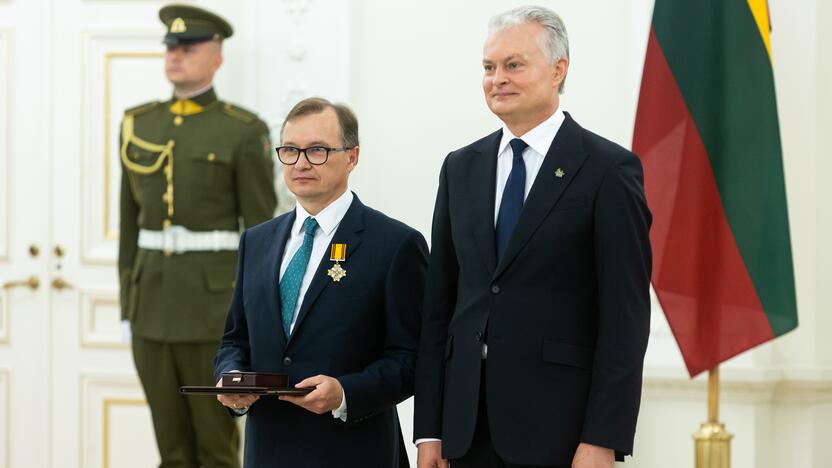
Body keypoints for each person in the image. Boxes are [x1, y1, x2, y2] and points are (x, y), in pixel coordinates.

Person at [414, 6, 652, 468]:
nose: (496, 78)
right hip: (464, 432)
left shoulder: (607, 170)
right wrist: (429, 430)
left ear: (558, 69)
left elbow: (625, 320)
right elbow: (439, 308)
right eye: (489, 67)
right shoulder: (460, 168)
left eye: (513, 65)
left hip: (560, 433)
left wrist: (603, 437)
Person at [214, 97, 428, 467]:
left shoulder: (394, 244)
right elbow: (236, 337)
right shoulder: (257, 241)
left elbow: (413, 358)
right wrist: (232, 377)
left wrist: (346, 392)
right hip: (269, 448)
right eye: (290, 150)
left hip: (352, 449)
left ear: (352, 156)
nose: (301, 163)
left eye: (317, 150)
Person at [117, 4, 278, 467]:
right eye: (171, 46)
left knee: (215, 445)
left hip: (214, 311)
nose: (176, 55)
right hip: (150, 305)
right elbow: (130, 221)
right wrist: (129, 301)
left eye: (189, 47)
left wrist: (253, 320)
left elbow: (262, 233)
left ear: (217, 57)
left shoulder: (243, 130)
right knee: (170, 445)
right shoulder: (138, 122)